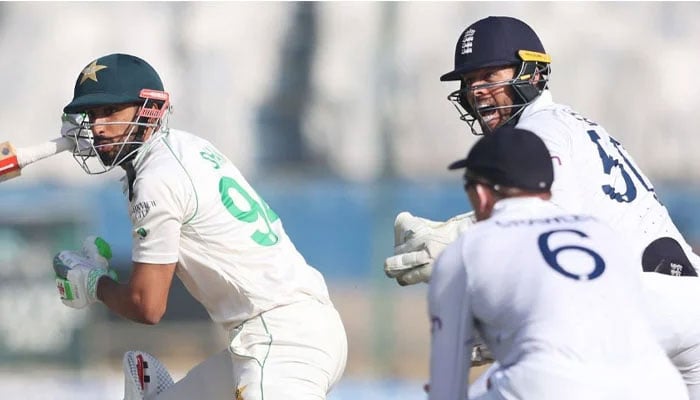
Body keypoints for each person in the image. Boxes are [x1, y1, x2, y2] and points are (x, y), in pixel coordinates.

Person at [52, 53, 347, 400]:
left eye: (110, 112)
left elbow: (148, 305)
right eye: (92, 115)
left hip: (281, 341)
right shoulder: (185, 147)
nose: (98, 127)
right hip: (287, 331)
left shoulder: (155, 178)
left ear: (148, 110)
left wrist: (92, 284)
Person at [385, 15, 700, 287]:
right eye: (469, 81)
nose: (477, 92)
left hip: (657, 309)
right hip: (653, 306)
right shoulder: (559, 124)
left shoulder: (541, 131)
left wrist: (457, 239)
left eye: (489, 77)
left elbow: (549, 219)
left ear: (533, 74)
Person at [427, 125, 688, 399]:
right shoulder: (602, 232)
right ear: (547, 189)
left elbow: (446, 387)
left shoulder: (464, 250)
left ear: (480, 194)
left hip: (553, 387)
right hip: (660, 386)